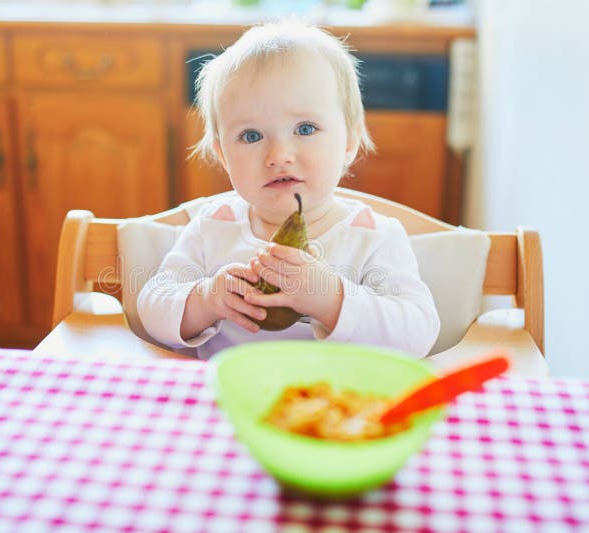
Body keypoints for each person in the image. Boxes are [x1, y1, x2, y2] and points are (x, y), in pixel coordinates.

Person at [137, 21, 439, 360]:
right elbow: (152, 305)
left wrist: (331, 299)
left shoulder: (372, 236)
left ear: (349, 142)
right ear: (223, 155)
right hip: (230, 401)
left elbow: (418, 332)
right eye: (251, 136)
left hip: (336, 402)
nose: (278, 155)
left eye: (305, 128)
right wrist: (205, 300)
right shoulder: (213, 227)